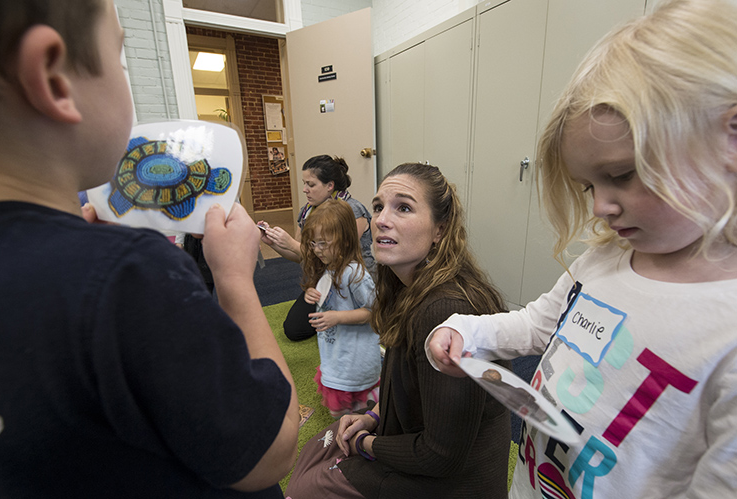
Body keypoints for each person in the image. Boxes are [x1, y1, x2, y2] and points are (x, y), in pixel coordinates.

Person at [0, 0, 298, 497]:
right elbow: (270, 453)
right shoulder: (128, 272)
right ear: (52, 77)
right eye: (121, 58)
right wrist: (235, 281)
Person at [427, 1, 737, 497]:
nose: (600, 209)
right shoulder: (605, 260)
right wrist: (465, 328)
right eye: (589, 186)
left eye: (620, 176)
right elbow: (534, 325)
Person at [285, 163, 511, 499]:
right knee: (316, 450)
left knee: (306, 485)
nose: (380, 219)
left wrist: (367, 442)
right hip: (412, 445)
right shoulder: (407, 286)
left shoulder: (443, 309)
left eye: (403, 207)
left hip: (448, 483)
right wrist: (373, 416)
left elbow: (441, 457)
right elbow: (410, 391)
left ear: (440, 230)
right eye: (378, 207)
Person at [259, 155, 373, 341]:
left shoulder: (351, 210)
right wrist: (274, 243)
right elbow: (300, 255)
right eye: (304, 184)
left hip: (354, 282)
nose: (305, 190)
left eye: (311, 185)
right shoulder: (308, 211)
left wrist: (291, 243)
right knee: (294, 330)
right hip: (325, 280)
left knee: (361, 320)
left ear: (330, 185)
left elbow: (340, 256)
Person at [299, 200, 380, 418]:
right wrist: (310, 294)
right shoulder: (329, 269)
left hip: (355, 356)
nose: (317, 250)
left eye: (323, 243)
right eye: (313, 243)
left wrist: (338, 317)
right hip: (336, 353)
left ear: (344, 241)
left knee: (355, 411)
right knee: (339, 411)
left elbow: (374, 312)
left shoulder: (354, 273)